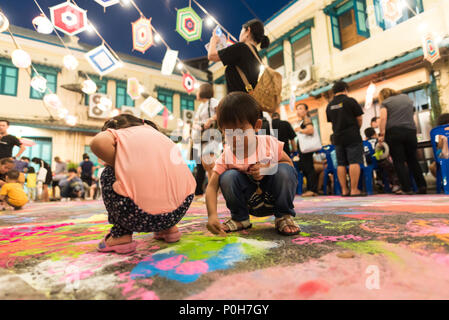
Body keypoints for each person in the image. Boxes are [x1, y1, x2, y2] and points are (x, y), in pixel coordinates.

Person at [90, 114, 196, 254]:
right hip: (178, 211)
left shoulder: (118, 133)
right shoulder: (159, 135)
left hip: (138, 214)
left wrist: (119, 164)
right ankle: (168, 229)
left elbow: (97, 142)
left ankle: (121, 235)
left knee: (109, 173)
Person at [206, 92, 300, 237]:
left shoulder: (268, 143)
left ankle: (283, 216)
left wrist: (268, 169)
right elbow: (212, 186)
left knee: (283, 169)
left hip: (273, 199)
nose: (235, 138)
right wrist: (212, 215)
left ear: (256, 126)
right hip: (249, 202)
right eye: (228, 132)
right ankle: (240, 218)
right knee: (227, 176)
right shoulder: (227, 155)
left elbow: (289, 165)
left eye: (241, 131)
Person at [378, 88, 427, 195]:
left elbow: (383, 118)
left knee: (399, 161)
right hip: (410, 131)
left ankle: (406, 188)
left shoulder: (385, 103)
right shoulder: (406, 98)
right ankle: (422, 185)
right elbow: (411, 115)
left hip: (394, 132)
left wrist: (381, 134)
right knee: (412, 160)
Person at [207, 19, 270, 94]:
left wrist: (213, 40)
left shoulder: (241, 47)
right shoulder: (257, 57)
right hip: (249, 101)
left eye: (241, 31)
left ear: (248, 31)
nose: (240, 34)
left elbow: (211, 56)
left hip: (237, 101)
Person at [326, 81, 365, 197]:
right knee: (354, 161)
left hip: (337, 137)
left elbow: (332, 121)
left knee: (341, 163)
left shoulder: (329, 105)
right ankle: (354, 190)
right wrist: (355, 129)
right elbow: (359, 119)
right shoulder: (350, 101)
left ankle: (344, 190)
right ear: (345, 89)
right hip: (352, 135)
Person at [191, 83, 221, 200]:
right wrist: (196, 125)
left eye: (198, 90)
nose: (196, 93)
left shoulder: (212, 101)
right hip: (202, 136)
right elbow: (196, 121)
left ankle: (214, 192)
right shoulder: (200, 107)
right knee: (206, 164)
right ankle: (211, 191)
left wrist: (210, 119)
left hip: (211, 134)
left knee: (210, 163)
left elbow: (220, 112)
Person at [364, 127, 401, 193]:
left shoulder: (364, 143)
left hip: (368, 164)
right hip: (380, 162)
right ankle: (395, 184)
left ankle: (379, 181)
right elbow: (383, 152)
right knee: (390, 167)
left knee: (379, 166)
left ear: (366, 136)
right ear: (375, 134)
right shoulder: (378, 141)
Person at [295, 103, 319, 197]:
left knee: (309, 168)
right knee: (306, 168)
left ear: (306, 111)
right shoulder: (302, 120)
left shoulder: (307, 119)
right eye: (297, 109)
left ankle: (312, 189)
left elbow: (310, 130)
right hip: (303, 149)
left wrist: (299, 130)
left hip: (307, 149)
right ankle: (311, 189)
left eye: (301, 108)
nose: (298, 111)